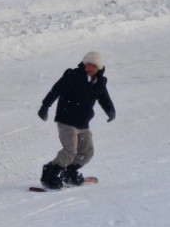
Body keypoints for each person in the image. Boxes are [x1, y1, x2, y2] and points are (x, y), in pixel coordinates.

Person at [37, 51, 116, 189]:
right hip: (66, 120)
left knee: (87, 152)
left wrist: (110, 110)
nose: (89, 68)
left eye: (93, 66)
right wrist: (45, 106)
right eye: (88, 64)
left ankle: (69, 172)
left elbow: (104, 98)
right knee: (70, 151)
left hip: (83, 123)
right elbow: (56, 90)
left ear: (99, 68)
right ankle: (49, 174)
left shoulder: (99, 82)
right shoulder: (73, 76)